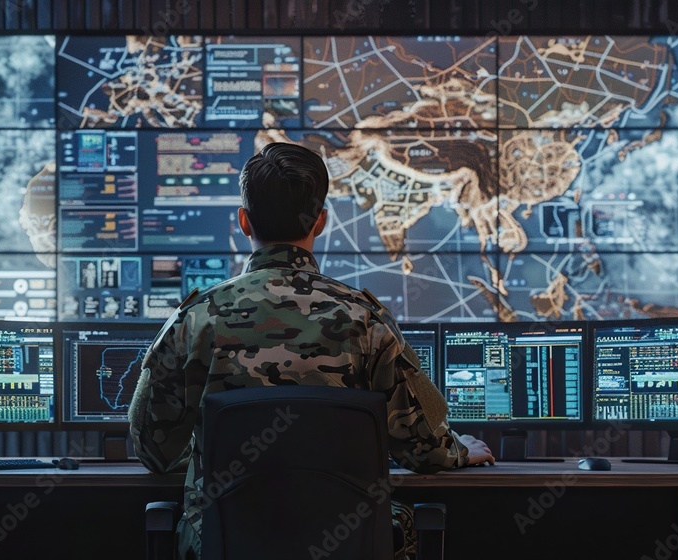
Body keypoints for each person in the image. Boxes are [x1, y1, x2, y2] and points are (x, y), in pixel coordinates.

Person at [130, 142, 495, 560]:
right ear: (320, 222)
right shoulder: (367, 321)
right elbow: (424, 448)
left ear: (244, 222)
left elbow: (153, 451)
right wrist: (460, 450)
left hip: (223, 544)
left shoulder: (194, 320)